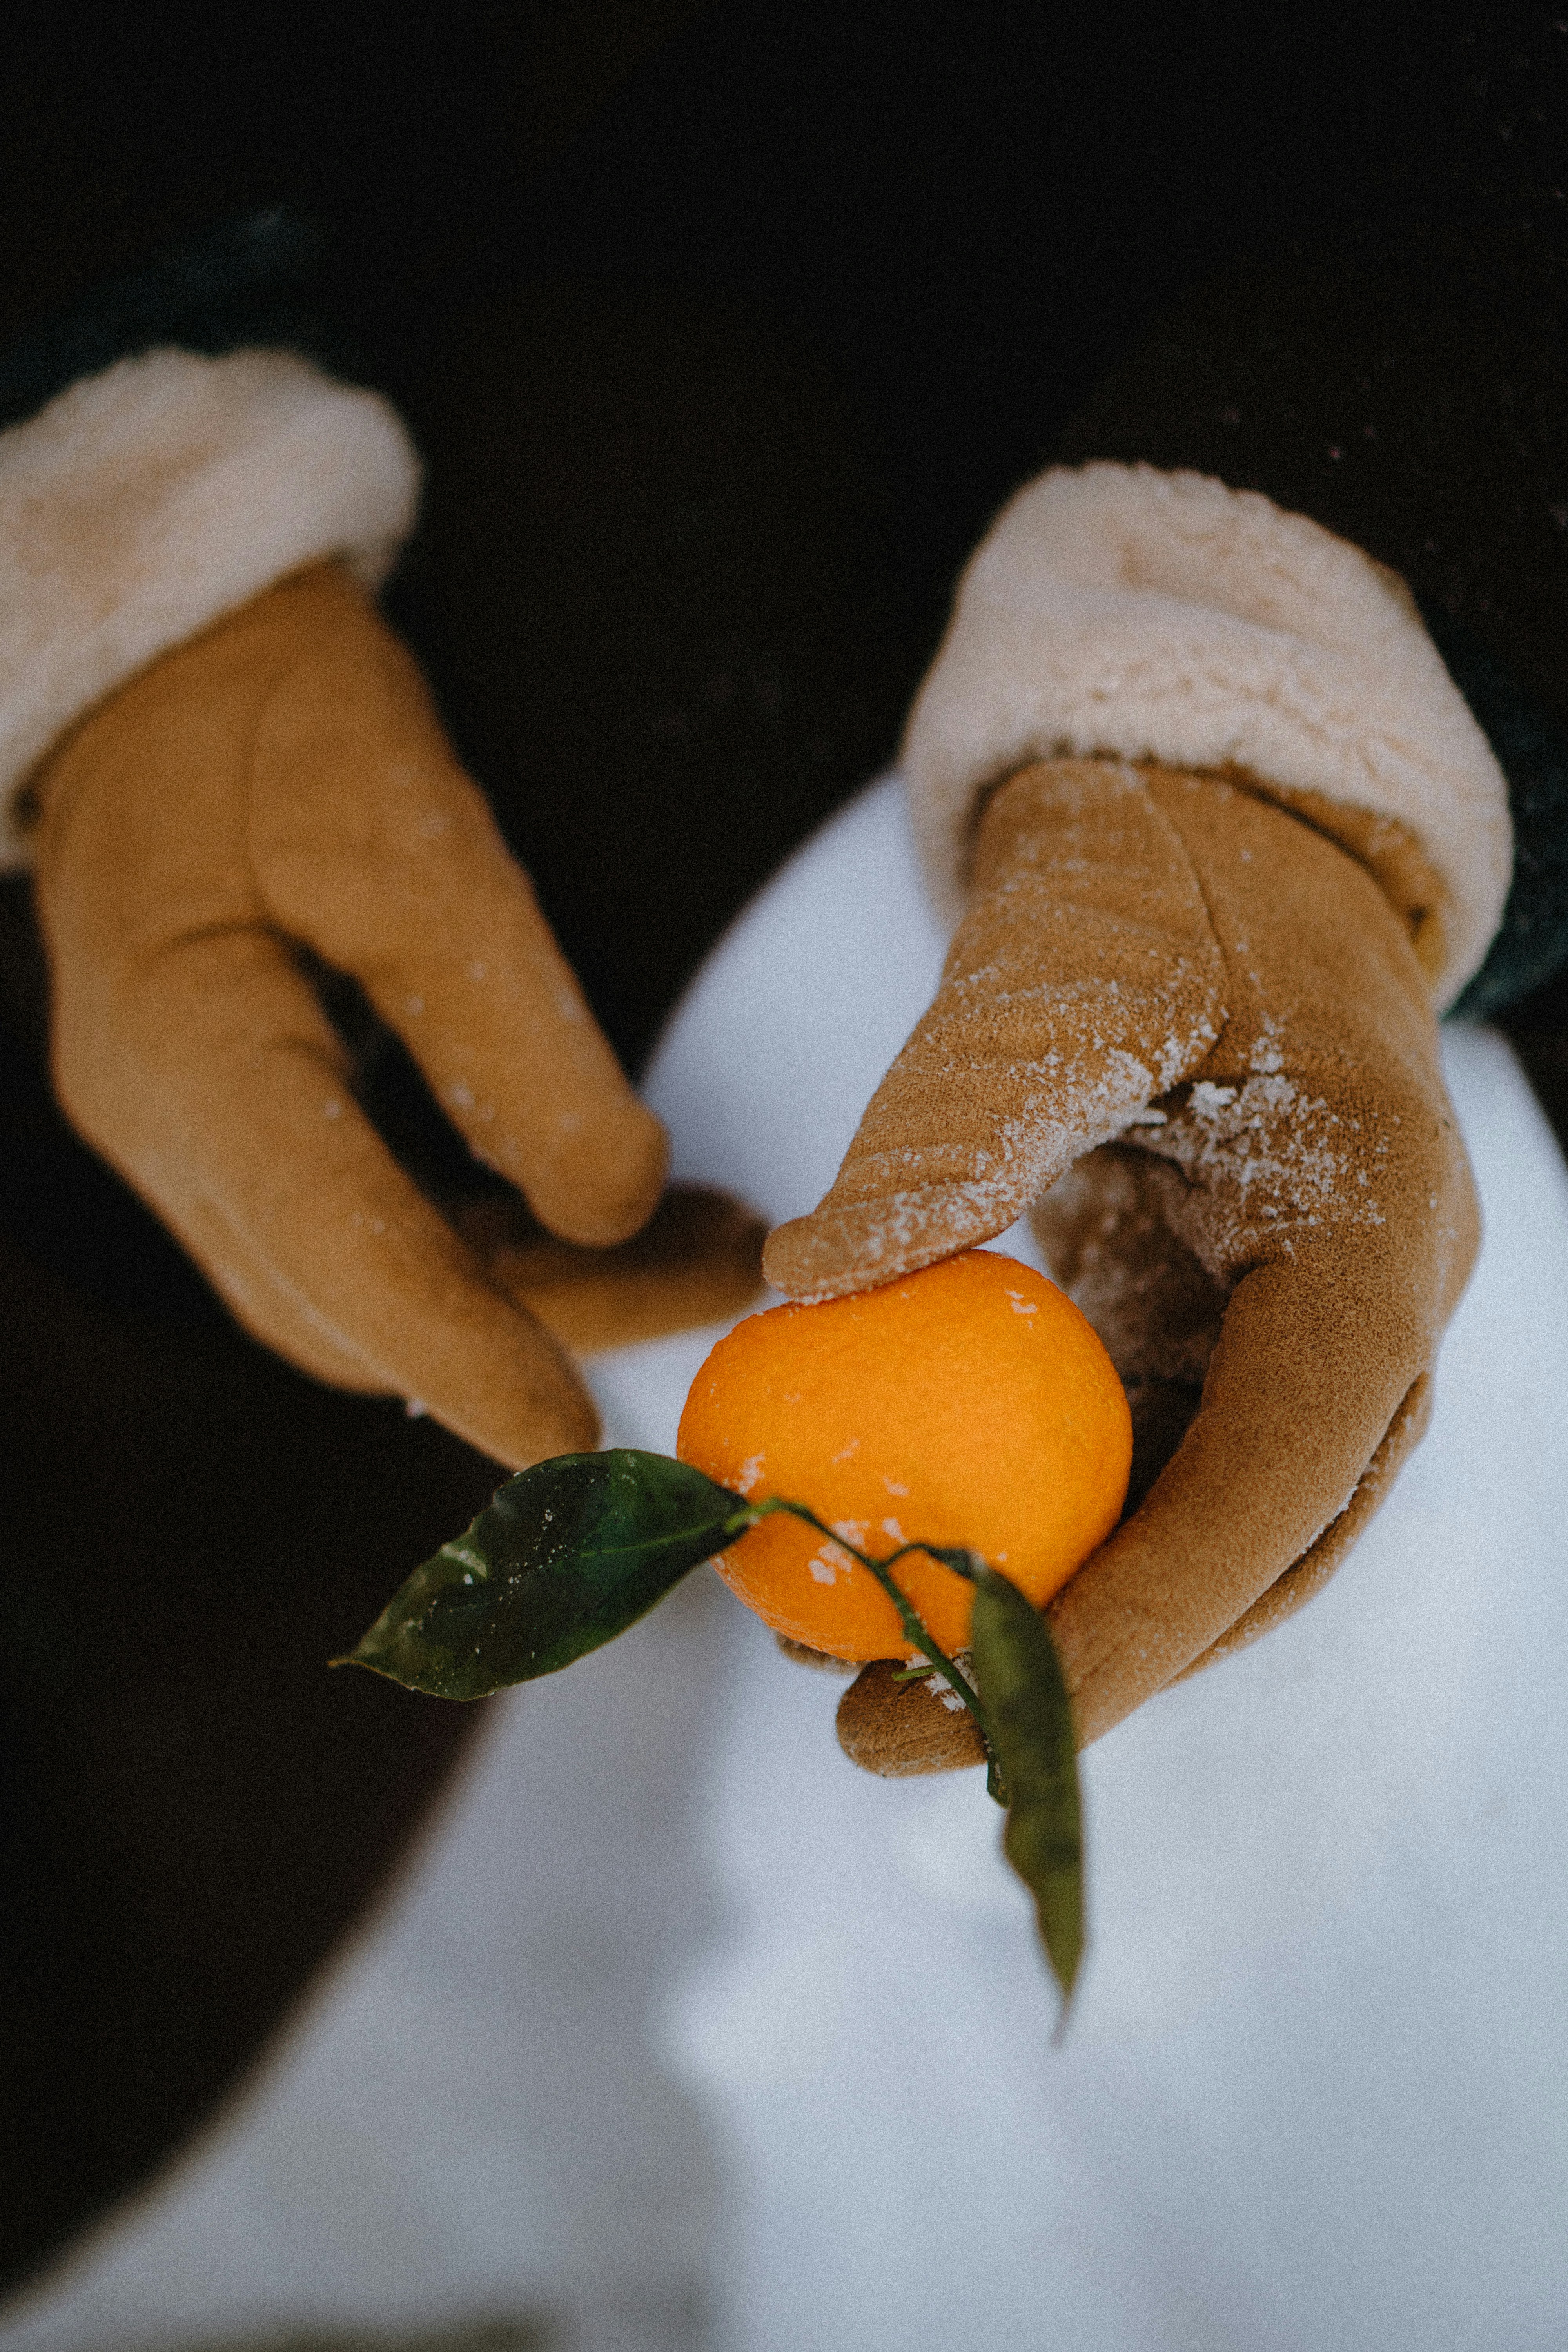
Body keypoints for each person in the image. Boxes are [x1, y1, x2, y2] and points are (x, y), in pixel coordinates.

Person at [2, 0, 1565, 2307]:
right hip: (524, 588)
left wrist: (1332, 665)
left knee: (1329, 1857)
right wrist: (90, 520)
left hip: (989, 582)